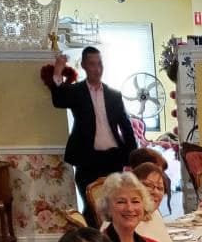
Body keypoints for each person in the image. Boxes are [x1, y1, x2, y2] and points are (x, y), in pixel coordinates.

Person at [48, 47, 136, 227]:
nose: (97, 69)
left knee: (116, 203)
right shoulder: (76, 92)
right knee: (92, 207)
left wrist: (133, 158)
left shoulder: (114, 95)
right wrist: (58, 71)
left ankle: (117, 238)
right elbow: (59, 100)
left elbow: (126, 127)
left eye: (100, 64)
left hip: (113, 158)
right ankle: (93, 240)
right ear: (84, 66)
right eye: (92, 64)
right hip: (87, 159)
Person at [133, 161, 180, 242]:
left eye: (160, 188)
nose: (155, 192)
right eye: (148, 185)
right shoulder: (127, 223)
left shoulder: (154, 215)